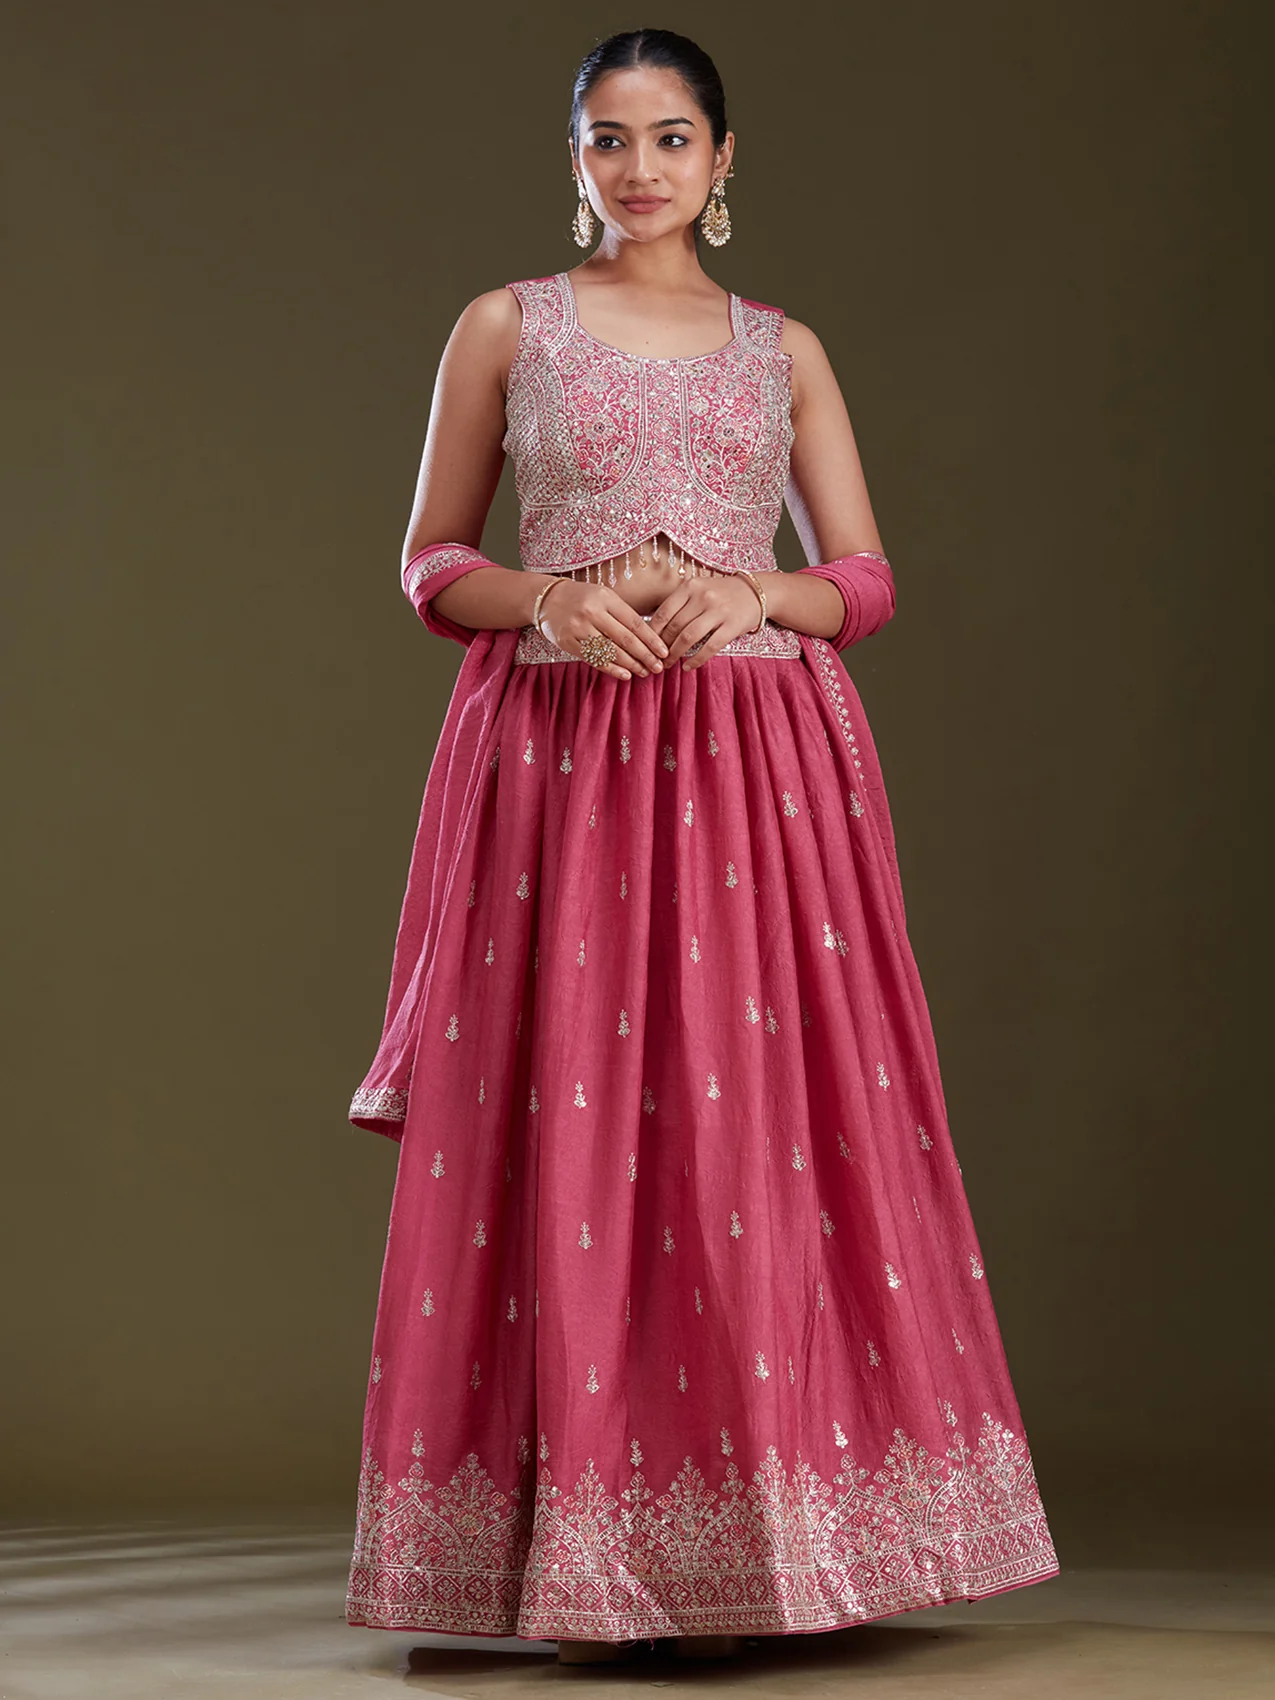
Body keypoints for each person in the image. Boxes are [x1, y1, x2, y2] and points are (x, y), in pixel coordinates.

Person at [342, 26, 1059, 1669]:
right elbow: (430, 561)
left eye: (671, 138)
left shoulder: (780, 350)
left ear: (722, 161)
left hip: (753, 776)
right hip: (559, 762)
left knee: (754, 1134)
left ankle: (768, 1549)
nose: (640, 167)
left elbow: (861, 579)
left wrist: (750, 593)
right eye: (609, 138)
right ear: (572, 157)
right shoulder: (504, 326)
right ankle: (575, 1560)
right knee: (569, 1120)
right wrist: (550, 599)